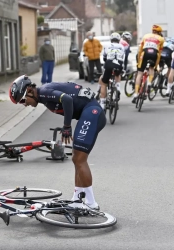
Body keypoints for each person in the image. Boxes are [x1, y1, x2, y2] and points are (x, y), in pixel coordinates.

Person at [9, 76, 106, 209]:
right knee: (76, 158)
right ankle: (77, 198)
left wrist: (67, 126)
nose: (25, 104)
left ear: (30, 91)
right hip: (88, 113)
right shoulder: (43, 95)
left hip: (92, 113)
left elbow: (67, 99)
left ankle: (91, 202)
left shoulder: (44, 92)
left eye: (23, 100)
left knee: (80, 160)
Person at [132, 25, 165, 103]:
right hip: (154, 53)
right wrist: (156, 66)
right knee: (151, 68)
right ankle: (150, 82)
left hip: (145, 53)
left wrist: (138, 62)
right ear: (159, 32)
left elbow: (140, 49)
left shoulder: (146, 36)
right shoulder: (161, 39)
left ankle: (136, 94)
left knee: (140, 73)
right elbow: (159, 53)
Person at [98, 32, 125, 110]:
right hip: (119, 64)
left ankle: (102, 103)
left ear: (111, 39)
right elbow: (123, 57)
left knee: (103, 83)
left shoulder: (107, 46)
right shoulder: (121, 46)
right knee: (117, 75)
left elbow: (104, 57)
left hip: (109, 63)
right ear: (119, 40)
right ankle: (118, 88)